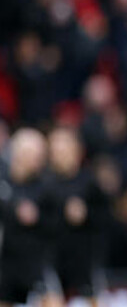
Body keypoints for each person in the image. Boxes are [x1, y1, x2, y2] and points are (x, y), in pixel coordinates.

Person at [0, 128, 62, 307]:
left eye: (39, 154)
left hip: (37, 263)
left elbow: (57, 225)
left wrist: (37, 217)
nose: (35, 159)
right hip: (6, 263)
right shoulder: (3, 182)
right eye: (30, 153)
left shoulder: (48, 186)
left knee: (52, 301)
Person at [46, 125, 107, 305]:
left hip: (86, 260)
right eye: (56, 150)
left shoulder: (90, 182)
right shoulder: (45, 184)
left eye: (64, 149)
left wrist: (86, 214)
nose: (60, 155)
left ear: (77, 151)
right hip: (54, 259)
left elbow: (106, 219)